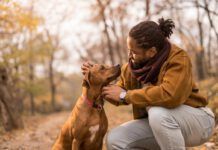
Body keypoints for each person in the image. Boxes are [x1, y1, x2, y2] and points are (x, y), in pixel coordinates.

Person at [81, 18, 215, 150]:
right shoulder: (132, 67)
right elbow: (119, 92)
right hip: (159, 123)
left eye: (134, 52)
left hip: (199, 122)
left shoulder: (178, 59)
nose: (130, 55)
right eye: (129, 50)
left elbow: (170, 94)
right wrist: (96, 78)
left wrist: (125, 96)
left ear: (151, 51)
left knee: (157, 113)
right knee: (115, 139)